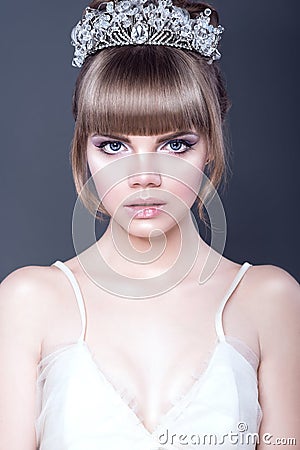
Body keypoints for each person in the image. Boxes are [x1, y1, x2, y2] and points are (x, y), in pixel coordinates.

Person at [0, 0, 299, 449]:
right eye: (114, 145)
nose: (143, 174)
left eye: (176, 144)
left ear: (211, 147)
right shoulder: (29, 301)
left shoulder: (270, 300)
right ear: (84, 148)